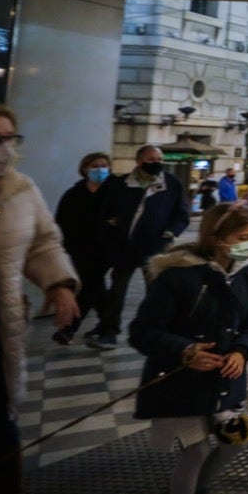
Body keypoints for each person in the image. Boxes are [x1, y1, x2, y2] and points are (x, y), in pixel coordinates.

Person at [130, 202, 248, 494]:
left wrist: (242, 351)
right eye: (242, 238)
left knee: (234, 441)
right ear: (217, 237)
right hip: (180, 382)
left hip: (226, 380)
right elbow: (143, 331)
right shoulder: (178, 276)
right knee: (196, 450)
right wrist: (185, 350)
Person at [0, 106, 81, 494]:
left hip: (2, 330)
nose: (5, 149)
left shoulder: (19, 189)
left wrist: (59, 285)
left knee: (4, 433)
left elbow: (43, 243)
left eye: (10, 138)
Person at [84, 144, 191, 350]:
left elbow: (181, 212)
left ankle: (157, 329)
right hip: (125, 247)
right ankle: (109, 330)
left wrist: (171, 231)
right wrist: (110, 225)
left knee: (158, 290)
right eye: (151, 160)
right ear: (139, 161)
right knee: (118, 289)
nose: (157, 163)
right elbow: (103, 209)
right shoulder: (120, 183)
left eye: (159, 159)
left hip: (156, 247)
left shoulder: (171, 183)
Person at [51, 151, 112, 345]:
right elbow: (61, 221)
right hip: (79, 249)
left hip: (105, 249)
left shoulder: (115, 193)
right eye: (95, 166)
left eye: (104, 165)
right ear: (85, 169)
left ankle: (69, 328)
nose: (100, 169)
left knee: (88, 286)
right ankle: (108, 326)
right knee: (96, 288)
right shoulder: (74, 194)